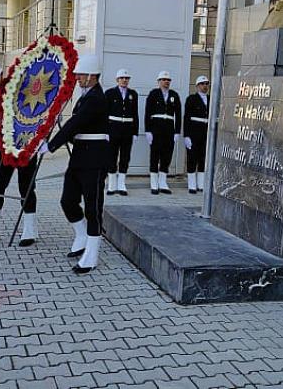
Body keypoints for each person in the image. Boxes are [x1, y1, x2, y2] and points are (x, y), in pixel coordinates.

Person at [38, 54, 109, 274]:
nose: (77, 77)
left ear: (91, 76)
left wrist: (50, 146)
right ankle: (81, 235)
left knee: (92, 207)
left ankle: (92, 253)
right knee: (67, 200)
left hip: (94, 160)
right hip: (79, 157)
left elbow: (76, 123)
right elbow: (75, 128)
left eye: (80, 74)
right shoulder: (84, 97)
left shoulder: (96, 98)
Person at [0, 58, 40, 246]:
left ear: (1, 74)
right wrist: (9, 145)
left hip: (26, 145)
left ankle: (29, 229)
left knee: (26, 186)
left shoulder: (17, 87)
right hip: (6, 146)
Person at [144, 71, 181, 195]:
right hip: (156, 129)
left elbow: (179, 115)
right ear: (158, 81)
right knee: (155, 155)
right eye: (164, 80)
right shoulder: (153, 94)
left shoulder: (174, 95)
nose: (166, 82)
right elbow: (147, 113)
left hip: (169, 129)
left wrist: (177, 131)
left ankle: (163, 181)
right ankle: (154, 182)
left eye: (168, 80)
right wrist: (148, 130)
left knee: (167, 155)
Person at [104, 68, 138, 196]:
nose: (124, 80)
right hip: (113, 129)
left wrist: (135, 131)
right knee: (112, 156)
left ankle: (121, 183)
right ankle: (112, 184)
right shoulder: (110, 93)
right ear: (117, 80)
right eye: (122, 78)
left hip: (127, 130)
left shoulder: (132, 94)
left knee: (125, 156)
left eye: (126, 78)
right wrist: (105, 131)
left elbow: (135, 114)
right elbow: (105, 114)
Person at [184, 75, 210, 194]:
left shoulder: (211, 99)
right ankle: (191, 184)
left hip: (206, 132)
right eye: (202, 84)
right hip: (194, 132)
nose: (205, 86)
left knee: (203, 158)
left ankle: (201, 183)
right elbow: (187, 118)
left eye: (206, 84)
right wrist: (186, 135)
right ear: (197, 86)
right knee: (192, 158)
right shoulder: (191, 99)